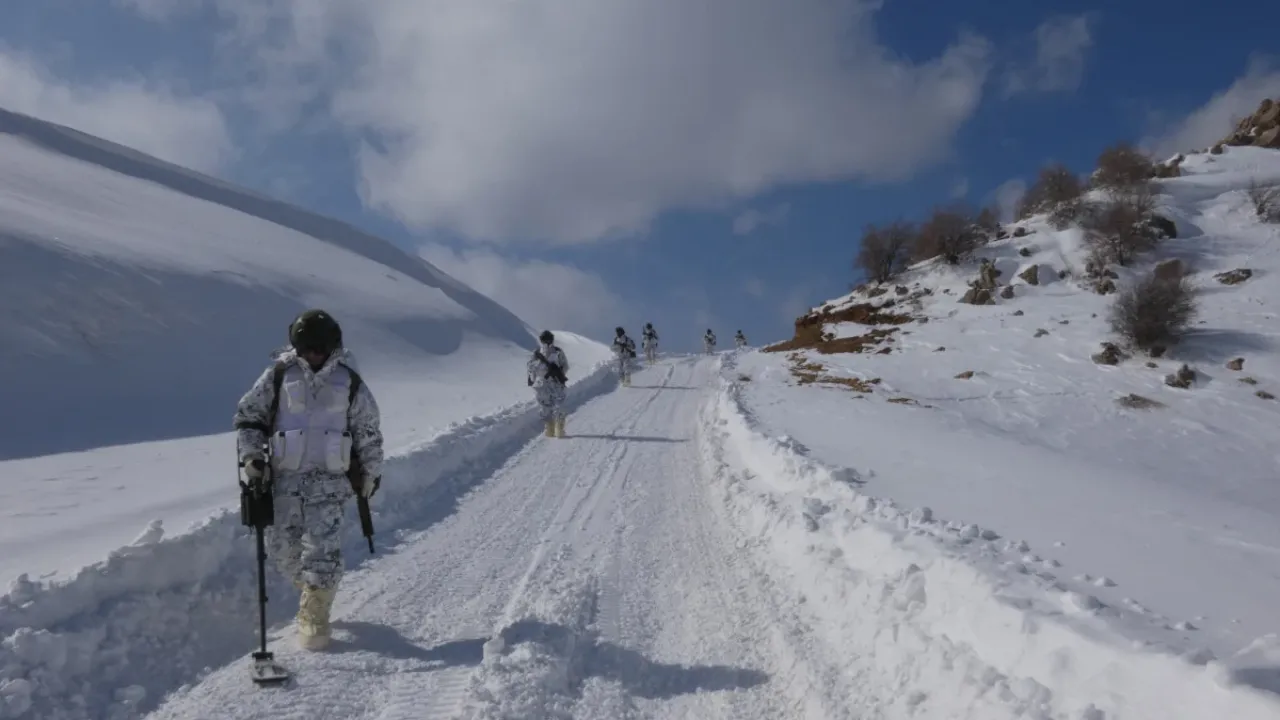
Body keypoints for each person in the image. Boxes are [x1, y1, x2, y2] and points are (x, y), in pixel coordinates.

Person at [233, 309, 384, 651]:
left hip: (330, 483)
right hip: (285, 480)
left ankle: (315, 613)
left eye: (320, 347)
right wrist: (252, 456)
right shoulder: (278, 376)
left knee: (322, 549)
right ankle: (317, 591)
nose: (313, 354)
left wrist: (371, 473)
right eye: (307, 347)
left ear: (333, 346)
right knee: (282, 551)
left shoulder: (349, 382)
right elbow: (249, 418)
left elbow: (368, 432)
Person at [528, 330, 570, 437]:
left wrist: (558, 373)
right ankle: (549, 428)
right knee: (545, 407)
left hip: (555, 383)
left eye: (548, 339)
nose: (547, 341)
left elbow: (565, 366)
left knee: (559, 405)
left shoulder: (557, 352)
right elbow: (530, 367)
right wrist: (533, 378)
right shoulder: (537, 353)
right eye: (545, 339)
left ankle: (559, 428)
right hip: (542, 384)